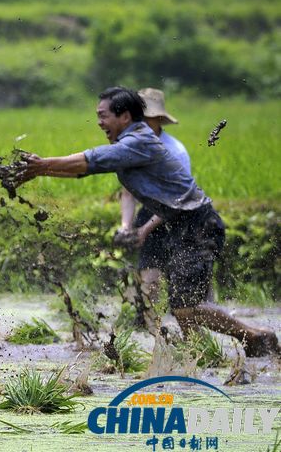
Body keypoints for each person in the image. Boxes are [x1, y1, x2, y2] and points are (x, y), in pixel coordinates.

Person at [19, 86, 280, 357]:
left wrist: (42, 164)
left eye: (103, 115)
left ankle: (256, 336)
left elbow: (91, 160)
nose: (99, 122)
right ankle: (199, 359)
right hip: (179, 224)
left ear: (125, 117)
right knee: (184, 309)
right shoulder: (128, 145)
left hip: (197, 224)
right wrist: (41, 171)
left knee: (186, 306)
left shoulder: (138, 142)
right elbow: (84, 171)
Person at [114, 88, 191, 326]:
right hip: (150, 213)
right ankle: (151, 327)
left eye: (144, 119)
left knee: (188, 287)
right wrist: (127, 226)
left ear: (158, 120)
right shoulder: (131, 148)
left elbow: (175, 200)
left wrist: (145, 230)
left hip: (182, 217)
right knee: (149, 279)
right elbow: (128, 192)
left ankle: (195, 330)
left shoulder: (174, 151)